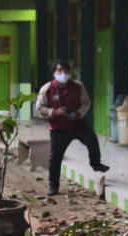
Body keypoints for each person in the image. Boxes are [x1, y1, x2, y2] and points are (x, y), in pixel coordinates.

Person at [35, 59, 109, 196]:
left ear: (70, 72)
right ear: (54, 73)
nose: (63, 74)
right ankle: (53, 186)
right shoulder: (46, 89)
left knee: (92, 140)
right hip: (58, 128)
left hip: (77, 123)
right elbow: (39, 108)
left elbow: (86, 102)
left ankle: (96, 163)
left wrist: (79, 113)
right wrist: (56, 112)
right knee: (55, 157)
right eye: (59, 71)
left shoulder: (78, 86)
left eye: (65, 71)